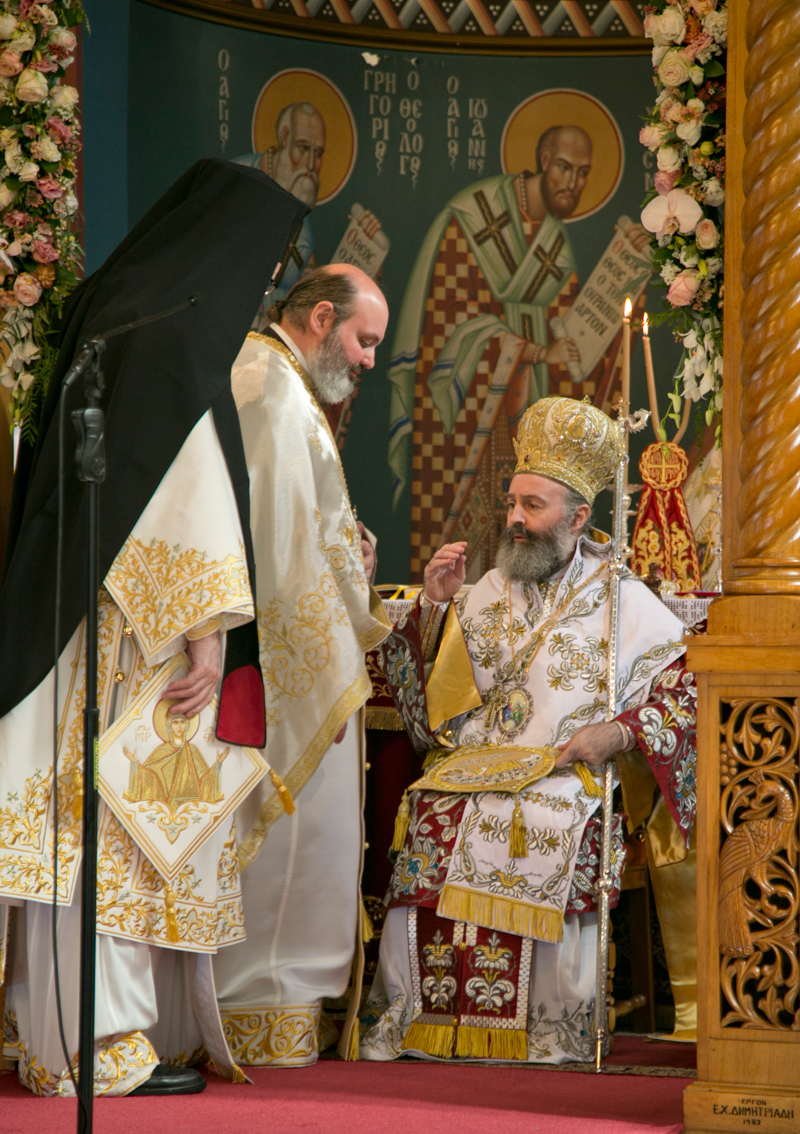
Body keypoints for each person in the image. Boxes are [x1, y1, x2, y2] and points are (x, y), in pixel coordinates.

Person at [0, 159, 307, 1095]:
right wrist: (209, 625)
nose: (263, 288)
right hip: (138, 632)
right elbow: (176, 486)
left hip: (82, 614)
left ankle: (52, 1032)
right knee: (118, 824)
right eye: (265, 267)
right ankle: (98, 1044)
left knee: (98, 818)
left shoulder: (124, 305)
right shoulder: (175, 335)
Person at [361, 396, 697, 1064]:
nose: (514, 519)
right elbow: (433, 709)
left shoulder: (624, 601)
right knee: (432, 810)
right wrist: (433, 606)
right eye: (512, 503)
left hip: (568, 776)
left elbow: (681, 692)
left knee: (547, 818)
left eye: (533, 507)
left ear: (578, 517)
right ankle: (420, 1021)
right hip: (480, 767)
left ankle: (548, 1030)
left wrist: (622, 734)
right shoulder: (485, 590)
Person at [213, 264, 391, 1067]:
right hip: (289, 655)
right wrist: (356, 613)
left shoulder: (267, 377)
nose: (367, 361)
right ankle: (265, 1006)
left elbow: (306, 526)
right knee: (292, 835)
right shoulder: (277, 393)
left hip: (285, 637)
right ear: (322, 318)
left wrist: (352, 563)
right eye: (364, 340)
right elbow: (281, 549)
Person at [236, 102, 326, 303]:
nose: (310, 165)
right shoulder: (239, 177)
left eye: (318, 153)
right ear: (285, 137)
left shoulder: (303, 227)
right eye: (303, 148)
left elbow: (307, 295)